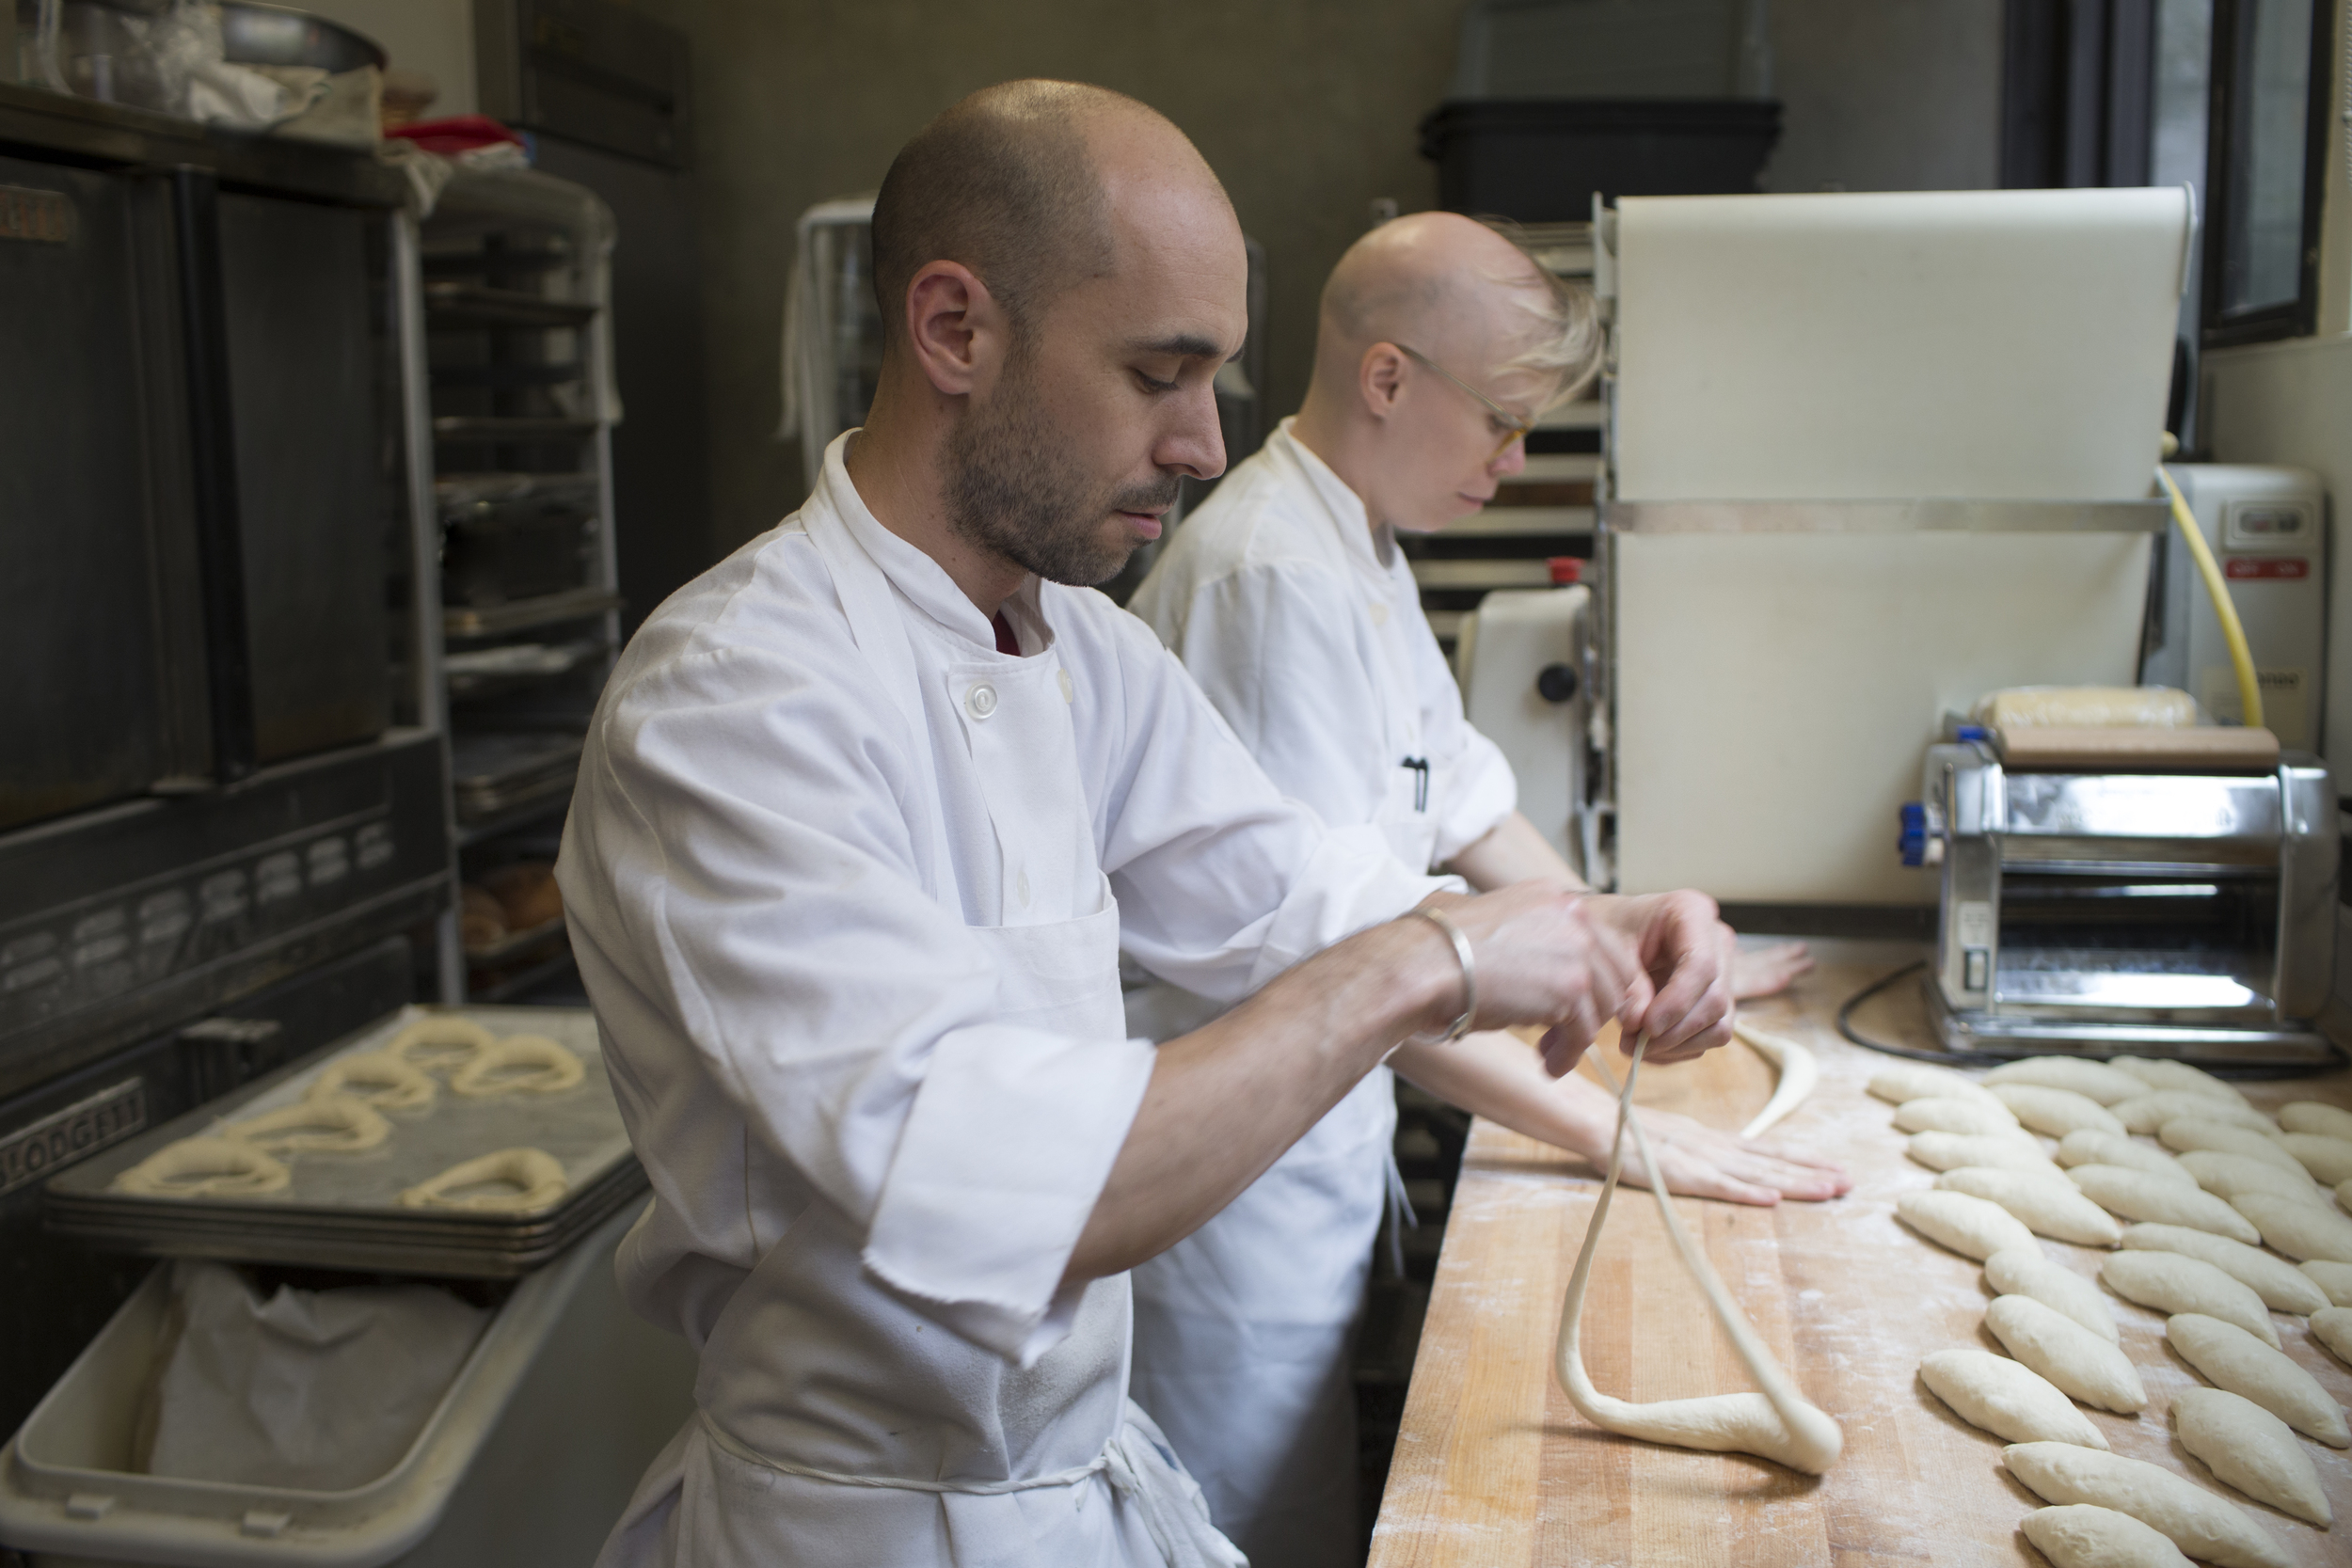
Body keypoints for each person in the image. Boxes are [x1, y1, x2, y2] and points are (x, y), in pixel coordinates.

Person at [557, 83, 1739, 1568]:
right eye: (1158, 374)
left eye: (1216, 380)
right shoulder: (734, 702)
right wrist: (1434, 961)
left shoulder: (1084, 652)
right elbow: (1025, 1188)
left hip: (1079, 1479)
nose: (1202, 442)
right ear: (954, 332)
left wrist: (1598, 930)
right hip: (858, 1526)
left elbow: (1290, 895)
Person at [1122, 211, 1851, 1567]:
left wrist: (1621, 945)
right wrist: (1604, 1131)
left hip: (1315, 1155)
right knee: (1248, 1530)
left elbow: (1463, 801)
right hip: (1232, 1198)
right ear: (1388, 378)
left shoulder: (1362, 548)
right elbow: (1336, 965)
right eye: (1504, 422)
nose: (1515, 464)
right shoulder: (1272, 576)